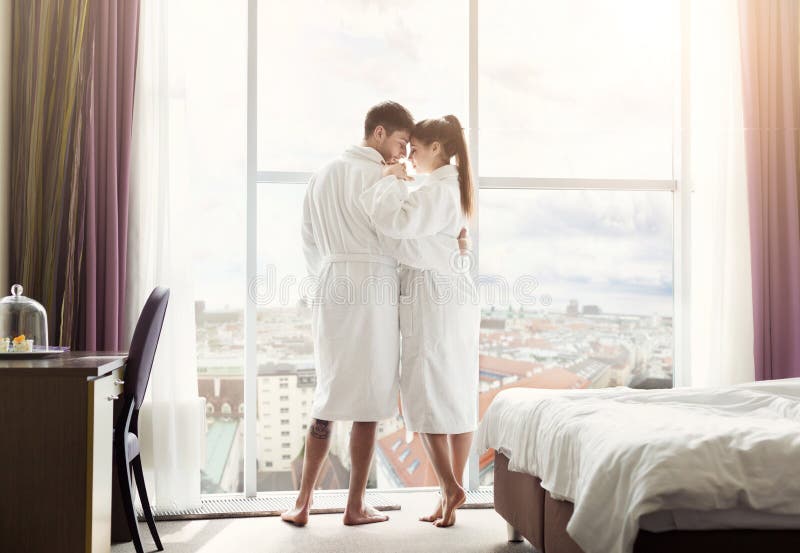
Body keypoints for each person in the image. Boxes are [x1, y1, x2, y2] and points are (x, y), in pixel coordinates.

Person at [281, 101, 413, 526]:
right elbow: (396, 235)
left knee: (329, 393)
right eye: (400, 142)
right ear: (378, 133)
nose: (402, 154)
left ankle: (302, 504)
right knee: (369, 401)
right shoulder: (382, 177)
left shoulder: (321, 175)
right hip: (373, 286)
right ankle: (354, 506)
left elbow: (307, 239)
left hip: (332, 283)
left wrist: (327, 274)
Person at [360, 114, 480, 528]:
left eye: (415, 148)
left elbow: (396, 223)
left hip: (433, 300)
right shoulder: (451, 189)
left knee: (425, 395)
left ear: (436, 148)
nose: (409, 156)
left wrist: (390, 180)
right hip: (452, 299)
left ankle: (450, 487)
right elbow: (446, 244)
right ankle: (449, 493)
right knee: (456, 395)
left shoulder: (438, 191)